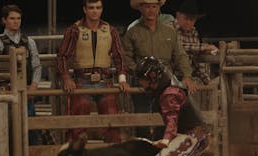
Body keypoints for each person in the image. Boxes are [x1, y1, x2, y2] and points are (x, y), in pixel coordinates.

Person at [124, 0, 198, 140]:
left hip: (166, 83)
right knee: (143, 121)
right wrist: (140, 75)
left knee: (167, 121)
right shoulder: (132, 32)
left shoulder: (169, 32)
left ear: (159, 8)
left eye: (154, 6)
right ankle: (144, 154)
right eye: (147, 6)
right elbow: (127, 58)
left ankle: (165, 152)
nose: (151, 10)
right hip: (143, 84)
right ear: (141, 8)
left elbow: (180, 55)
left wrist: (187, 75)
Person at [57, 0, 130, 143]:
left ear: (102, 9)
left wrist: (122, 80)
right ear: (85, 9)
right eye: (91, 8)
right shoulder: (75, 29)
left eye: (97, 7)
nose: (94, 11)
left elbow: (119, 56)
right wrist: (66, 78)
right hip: (82, 82)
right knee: (78, 123)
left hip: (105, 81)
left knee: (112, 121)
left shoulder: (110, 30)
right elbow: (63, 56)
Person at [0, 4, 42, 145]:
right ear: (4, 20)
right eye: (12, 18)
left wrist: (34, 85)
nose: (16, 21)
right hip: (5, 91)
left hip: (25, 91)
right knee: (5, 127)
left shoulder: (29, 42)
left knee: (29, 125)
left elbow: (36, 66)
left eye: (18, 18)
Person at [174, 0, 218, 85]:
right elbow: (178, 48)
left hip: (188, 77)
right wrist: (204, 47)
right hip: (172, 76)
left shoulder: (193, 32)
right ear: (178, 16)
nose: (189, 22)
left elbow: (196, 60)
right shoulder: (170, 29)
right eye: (186, 18)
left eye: (192, 20)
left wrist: (206, 80)